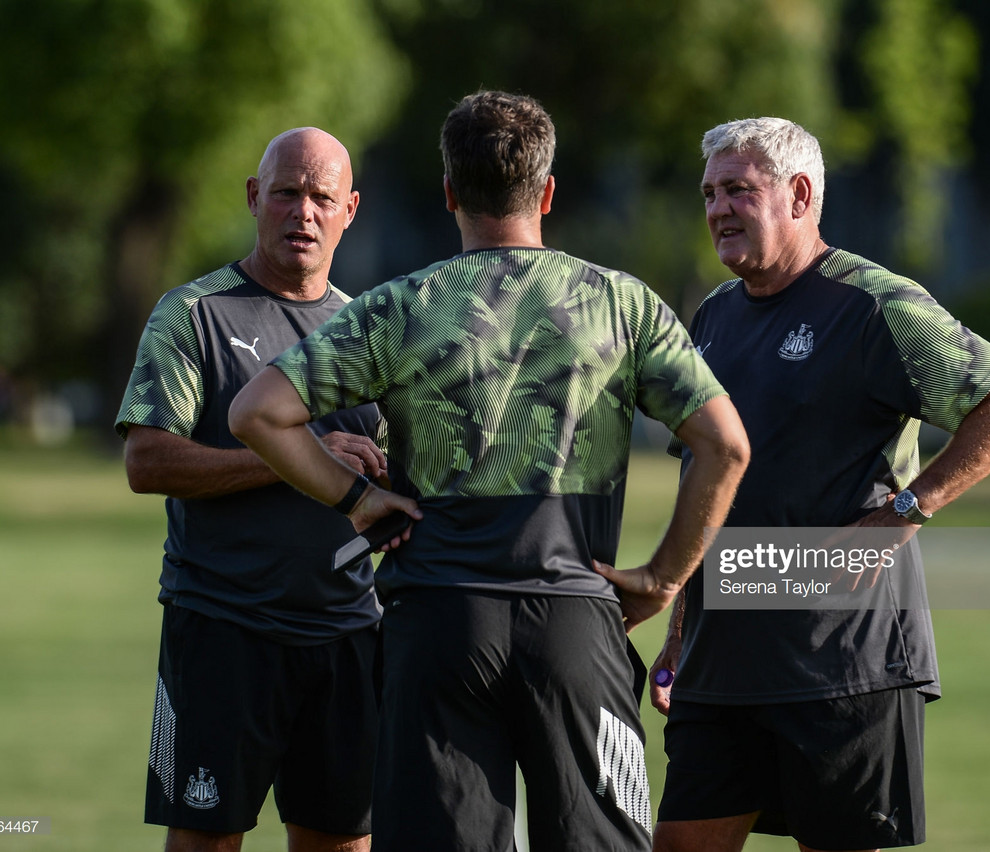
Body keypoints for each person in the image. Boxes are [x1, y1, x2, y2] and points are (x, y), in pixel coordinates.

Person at [228, 91, 751, 852]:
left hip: (437, 627)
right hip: (576, 623)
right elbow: (726, 446)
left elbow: (257, 414)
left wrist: (358, 498)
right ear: (545, 193)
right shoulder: (620, 301)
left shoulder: (399, 306)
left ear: (449, 194)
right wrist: (665, 578)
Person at [648, 118, 990, 852]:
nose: (716, 209)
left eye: (738, 190)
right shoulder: (711, 315)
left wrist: (906, 511)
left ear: (799, 195)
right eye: (709, 192)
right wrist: (682, 622)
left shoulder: (873, 304)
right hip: (724, 652)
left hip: (844, 657)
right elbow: (703, 476)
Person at [115, 127, 388, 852]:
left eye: (321, 197)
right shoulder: (194, 314)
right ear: (253, 197)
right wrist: (293, 456)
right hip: (222, 631)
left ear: (350, 210)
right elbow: (147, 462)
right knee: (205, 840)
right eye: (287, 192)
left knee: (342, 843)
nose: (303, 211)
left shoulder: (370, 331)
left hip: (349, 635)